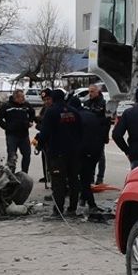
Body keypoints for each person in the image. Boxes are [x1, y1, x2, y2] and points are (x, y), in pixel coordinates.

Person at [36, 89, 82, 217]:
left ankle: (58, 210)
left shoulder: (51, 112)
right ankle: (72, 208)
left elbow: (44, 132)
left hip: (57, 152)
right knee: (74, 181)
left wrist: (39, 145)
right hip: (74, 152)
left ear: (53, 99)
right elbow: (80, 131)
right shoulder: (74, 112)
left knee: (58, 182)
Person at [71, 96, 104, 213]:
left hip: (84, 151)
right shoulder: (90, 114)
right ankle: (83, 199)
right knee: (88, 175)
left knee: (83, 179)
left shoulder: (75, 117)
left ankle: (91, 204)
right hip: (96, 150)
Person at [0, 88, 37, 173]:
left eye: (23, 97)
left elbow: (32, 113)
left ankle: (24, 173)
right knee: (12, 156)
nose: (23, 99)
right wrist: (7, 127)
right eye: (21, 97)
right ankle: (11, 174)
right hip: (12, 135)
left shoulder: (26, 105)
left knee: (27, 155)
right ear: (16, 98)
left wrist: (30, 121)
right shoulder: (7, 106)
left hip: (24, 135)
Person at [82, 84, 110, 185]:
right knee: (89, 156)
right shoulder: (86, 103)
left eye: (92, 91)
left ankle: (100, 177)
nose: (90, 94)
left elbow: (107, 121)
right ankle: (91, 177)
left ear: (97, 92)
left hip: (99, 134)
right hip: (89, 134)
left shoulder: (103, 103)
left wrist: (105, 135)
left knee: (100, 156)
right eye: (89, 91)